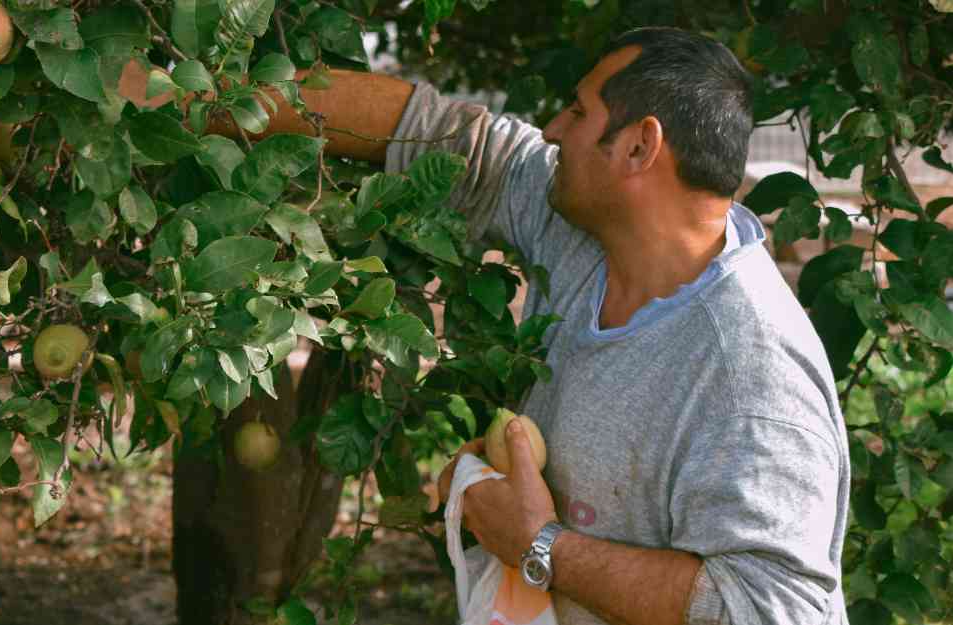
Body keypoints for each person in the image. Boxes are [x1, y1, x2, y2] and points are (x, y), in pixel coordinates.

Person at [123, 26, 851, 625]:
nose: (552, 128)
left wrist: (537, 545)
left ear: (638, 147)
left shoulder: (749, 371)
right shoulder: (588, 233)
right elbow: (438, 135)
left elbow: (774, 609)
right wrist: (182, 99)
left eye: (578, 111)